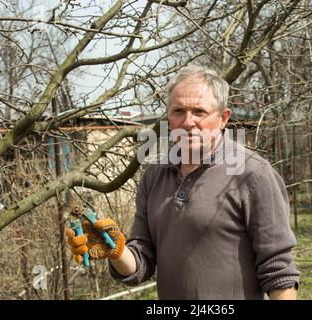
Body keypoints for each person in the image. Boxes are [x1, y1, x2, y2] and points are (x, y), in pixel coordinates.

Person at [66, 65, 300, 300]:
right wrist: (115, 251)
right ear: (168, 116)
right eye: (178, 111)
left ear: (223, 118)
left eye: (199, 111)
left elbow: (279, 273)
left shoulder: (253, 174)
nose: (188, 122)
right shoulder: (154, 174)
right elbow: (141, 263)